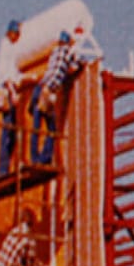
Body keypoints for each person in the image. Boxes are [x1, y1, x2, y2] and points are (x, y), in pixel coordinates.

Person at [29, 28, 87, 166]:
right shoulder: (67, 51)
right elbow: (77, 64)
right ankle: (44, 159)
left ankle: (34, 158)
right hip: (48, 92)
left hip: (39, 88)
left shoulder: (54, 52)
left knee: (36, 126)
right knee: (52, 129)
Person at [0, 20, 23, 177]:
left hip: (9, 89)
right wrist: (13, 92)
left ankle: (7, 166)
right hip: (7, 91)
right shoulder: (6, 48)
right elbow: (6, 74)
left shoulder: (10, 48)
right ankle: (3, 169)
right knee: (8, 129)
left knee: (11, 130)